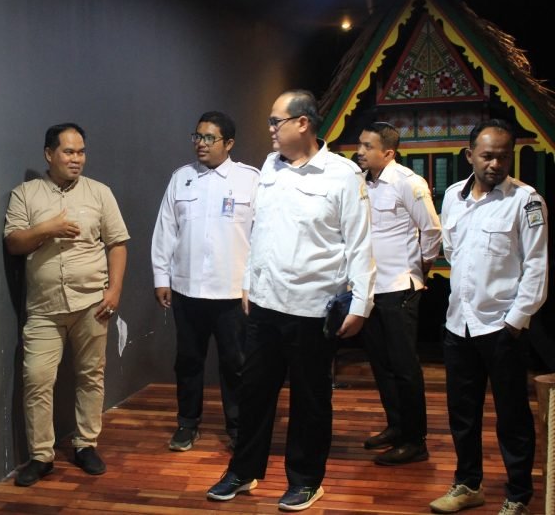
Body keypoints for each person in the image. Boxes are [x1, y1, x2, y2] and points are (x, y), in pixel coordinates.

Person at [207, 90, 375, 511]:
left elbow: (359, 244)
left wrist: (361, 304)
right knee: (254, 392)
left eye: (274, 121)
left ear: (302, 123)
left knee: (310, 398)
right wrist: (248, 282)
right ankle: (243, 470)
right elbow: (261, 230)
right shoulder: (271, 166)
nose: (269, 130)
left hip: (313, 308)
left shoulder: (342, 175)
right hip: (265, 303)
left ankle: (305, 479)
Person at [429, 119, 547, 515]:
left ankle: (517, 495)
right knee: (462, 413)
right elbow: (451, 249)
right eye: (487, 155)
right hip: (457, 323)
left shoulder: (526, 201)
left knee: (512, 416)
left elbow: (537, 265)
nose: (496, 163)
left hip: (502, 327)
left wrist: (517, 319)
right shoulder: (452, 196)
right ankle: (467, 484)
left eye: (503, 156)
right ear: (470, 156)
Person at [4, 123, 130, 487]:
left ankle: (86, 444)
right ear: (49, 154)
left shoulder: (100, 193)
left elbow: (117, 243)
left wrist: (115, 290)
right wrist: (49, 228)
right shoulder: (25, 195)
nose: (76, 159)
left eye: (81, 152)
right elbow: (14, 242)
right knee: (37, 379)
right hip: (44, 308)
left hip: (92, 303)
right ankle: (41, 455)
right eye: (68, 152)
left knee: (91, 375)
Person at [151, 111, 259, 451]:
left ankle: (239, 427)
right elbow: (165, 230)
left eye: (209, 138)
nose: (201, 144)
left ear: (229, 143)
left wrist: (253, 285)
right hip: (187, 289)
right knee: (188, 361)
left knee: (236, 364)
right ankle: (187, 423)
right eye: (197, 136)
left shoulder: (250, 180)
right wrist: (160, 276)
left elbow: (261, 237)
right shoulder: (181, 178)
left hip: (232, 292)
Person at [356, 122, 441, 465]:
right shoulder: (361, 183)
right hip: (371, 289)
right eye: (359, 144)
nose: (359, 151)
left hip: (399, 287)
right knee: (381, 364)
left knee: (405, 367)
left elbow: (432, 231)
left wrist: (419, 270)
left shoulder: (408, 182)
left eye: (366, 146)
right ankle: (396, 425)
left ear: (387, 152)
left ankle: (415, 440)